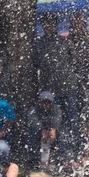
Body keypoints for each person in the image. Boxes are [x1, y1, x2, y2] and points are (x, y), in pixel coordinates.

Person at [34, 13, 80, 155]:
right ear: (43, 26)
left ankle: (75, 148)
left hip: (68, 87)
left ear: (56, 26)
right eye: (46, 24)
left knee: (72, 119)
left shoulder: (64, 42)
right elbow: (36, 64)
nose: (49, 27)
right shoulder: (39, 44)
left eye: (51, 24)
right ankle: (57, 151)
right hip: (50, 91)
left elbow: (73, 61)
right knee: (54, 122)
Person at [25, 91, 63, 169]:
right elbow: (33, 121)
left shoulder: (56, 110)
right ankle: (33, 160)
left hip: (52, 131)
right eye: (44, 102)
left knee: (63, 135)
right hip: (39, 132)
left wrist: (53, 128)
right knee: (31, 135)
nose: (46, 105)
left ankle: (57, 160)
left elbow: (57, 119)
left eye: (48, 102)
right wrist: (41, 129)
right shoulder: (34, 110)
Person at [67, 13, 89, 115]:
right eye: (75, 24)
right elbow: (66, 62)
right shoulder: (67, 42)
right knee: (71, 109)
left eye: (79, 24)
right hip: (70, 81)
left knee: (83, 107)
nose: (77, 27)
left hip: (83, 79)